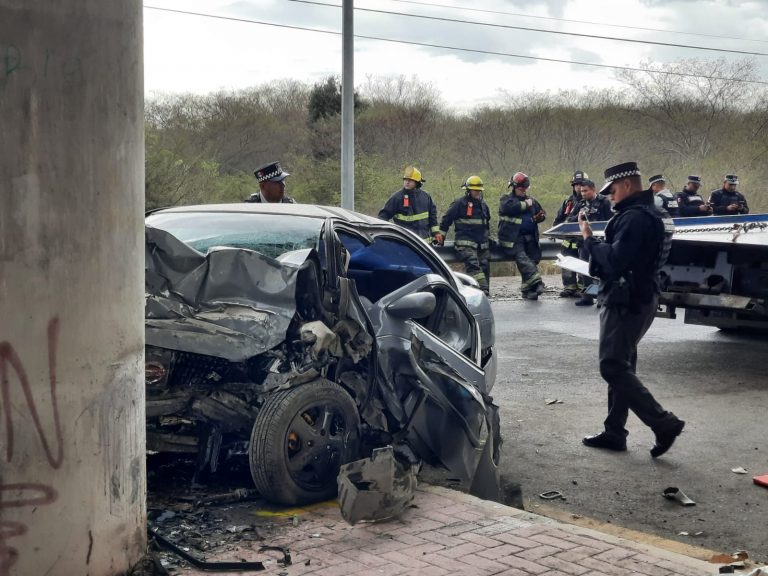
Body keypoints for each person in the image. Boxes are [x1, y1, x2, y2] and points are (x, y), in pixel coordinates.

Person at [578, 161, 684, 457]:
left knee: (612, 366)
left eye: (612, 190)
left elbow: (615, 261)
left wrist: (588, 240)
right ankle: (615, 432)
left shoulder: (634, 218)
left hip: (626, 300)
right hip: (643, 296)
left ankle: (664, 424)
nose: (610, 196)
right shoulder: (656, 213)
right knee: (622, 366)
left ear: (626, 185)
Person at [438, 176, 492, 294]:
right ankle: (482, 288)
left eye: (479, 190)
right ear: (468, 191)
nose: (477, 193)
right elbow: (446, 219)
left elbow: (486, 224)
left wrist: (488, 238)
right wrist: (441, 235)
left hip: (481, 244)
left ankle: (483, 290)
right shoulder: (459, 204)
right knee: (473, 263)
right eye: (474, 190)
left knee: (484, 265)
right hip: (465, 243)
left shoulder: (483, 205)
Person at [498, 172, 546, 300]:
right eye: (521, 188)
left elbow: (541, 213)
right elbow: (509, 209)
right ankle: (537, 283)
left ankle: (527, 290)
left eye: (525, 188)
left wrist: (540, 216)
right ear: (514, 187)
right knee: (522, 259)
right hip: (513, 238)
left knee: (531, 260)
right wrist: (526, 204)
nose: (523, 191)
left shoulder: (532, 201)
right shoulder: (506, 200)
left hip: (530, 237)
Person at [573, 179, 613, 307]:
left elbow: (610, 221)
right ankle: (587, 297)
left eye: (586, 191)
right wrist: (579, 216)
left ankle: (602, 297)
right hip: (585, 241)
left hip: (600, 242)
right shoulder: (580, 204)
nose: (583, 193)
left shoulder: (604, 202)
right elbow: (570, 219)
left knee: (601, 270)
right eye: (581, 191)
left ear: (593, 189)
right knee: (584, 269)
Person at [378, 166, 442, 243]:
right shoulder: (397, 198)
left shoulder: (426, 197)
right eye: (405, 180)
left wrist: (436, 233)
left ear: (417, 182)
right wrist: (384, 235)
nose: (407, 182)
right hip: (406, 244)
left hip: (425, 245)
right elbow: (383, 216)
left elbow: (432, 217)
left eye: (410, 180)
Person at [555, 170, 589, 298]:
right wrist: (557, 230)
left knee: (582, 264)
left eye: (581, 184)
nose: (578, 187)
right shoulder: (567, 202)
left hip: (582, 240)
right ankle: (569, 288)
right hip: (568, 241)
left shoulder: (591, 202)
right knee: (567, 263)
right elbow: (558, 220)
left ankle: (582, 288)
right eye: (576, 185)